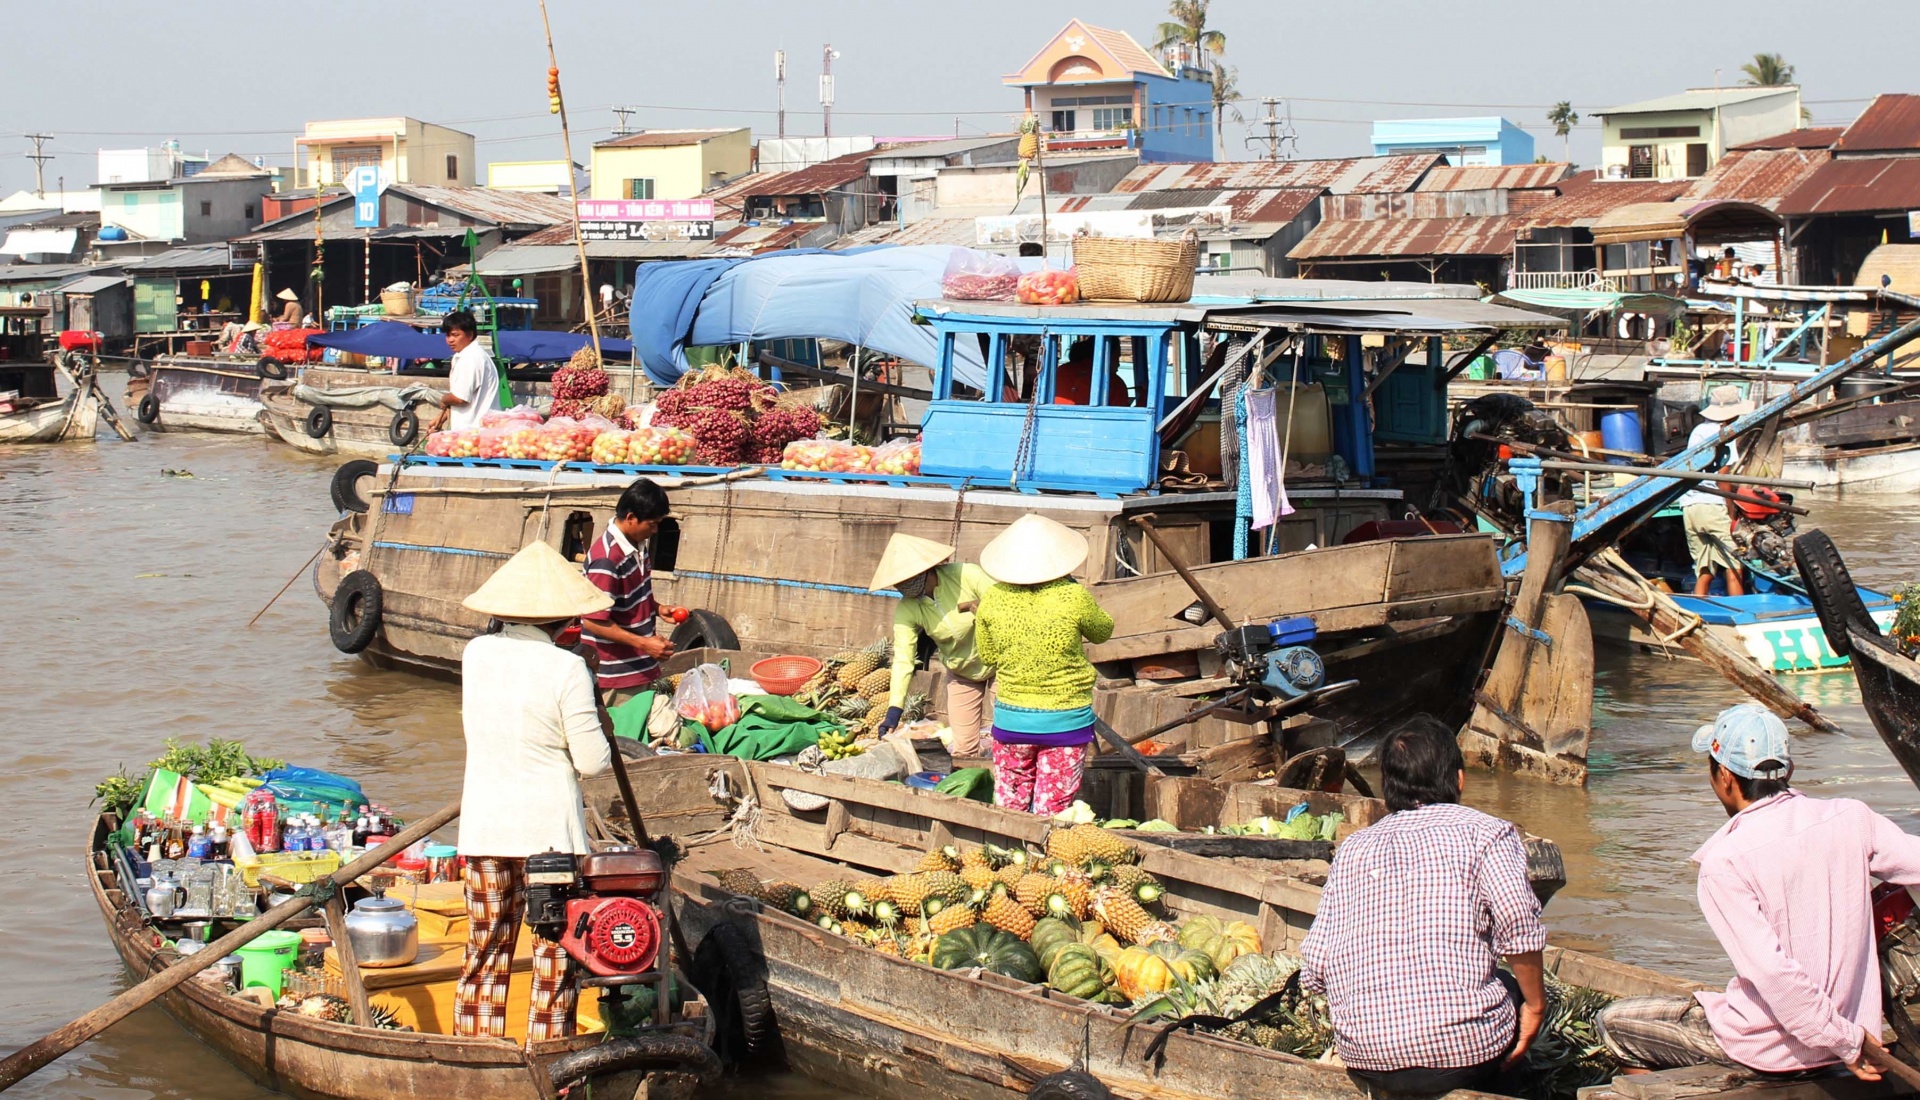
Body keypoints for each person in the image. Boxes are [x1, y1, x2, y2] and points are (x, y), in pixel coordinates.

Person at [1595, 704, 1920, 1080]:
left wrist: (1845, 1042)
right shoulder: (1850, 817)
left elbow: (1775, 974)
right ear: (1788, 770)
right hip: (1855, 1029)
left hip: (1777, 1049)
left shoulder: (1724, 863)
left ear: (1724, 777)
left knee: (1612, 1023)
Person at [1299, 715, 1548, 1095]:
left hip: (1366, 1054)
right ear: (1459, 779)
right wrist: (1535, 1006)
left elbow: (1315, 968)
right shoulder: (1488, 833)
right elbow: (1518, 927)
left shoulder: (1353, 848)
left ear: (1388, 788)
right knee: (1514, 990)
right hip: (1462, 1054)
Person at [453, 540, 613, 1043]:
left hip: (485, 829)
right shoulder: (566, 668)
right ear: (564, 619)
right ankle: (550, 1060)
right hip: (550, 840)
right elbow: (593, 762)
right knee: (554, 954)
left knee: (486, 949)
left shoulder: (476, 654)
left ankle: (478, 1056)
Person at [974, 514, 1113, 815]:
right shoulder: (1074, 595)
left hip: (1012, 722)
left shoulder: (993, 598)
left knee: (1010, 811)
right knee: (1052, 814)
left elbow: (987, 656)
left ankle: (1009, 845)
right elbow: (1102, 632)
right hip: (1065, 722)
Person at [866, 533, 995, 756]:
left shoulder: (967, 575)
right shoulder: (908, 608)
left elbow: (1006, 608)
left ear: (925, 569)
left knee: (1010, 737)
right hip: (961, 672)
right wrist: (894, 710)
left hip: (1000, 665)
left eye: (907, 578)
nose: (903, 585)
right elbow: (903, 659)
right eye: (898, 582)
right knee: (963, 749)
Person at [579, 478, 675, 705]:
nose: (655, 530)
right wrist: (644, 644)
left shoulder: (637, 546)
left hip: (639, 666)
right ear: (631, 518)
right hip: (615, 674)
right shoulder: (607, 559)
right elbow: (592, 621)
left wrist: (658, 608)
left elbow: (631, 594)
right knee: (622, 727)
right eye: (652, 524)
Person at [1681, 385, 1752, 597]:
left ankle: (1698, 607)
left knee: (1704, 570)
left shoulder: (1698, 431)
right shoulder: (1724, 435)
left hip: (1690, 506)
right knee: (1735, 566)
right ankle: (1740, 610)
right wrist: (1732, 513)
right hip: (1713, 507)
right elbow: (1723, 479)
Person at [431, 310, 501, 433]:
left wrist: (444, 399)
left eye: (455, 335)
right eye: (448, 335)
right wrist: (441, 419)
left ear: (469, 335)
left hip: (474, 433)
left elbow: (460, 398)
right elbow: (466, 396)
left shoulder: (470, 358)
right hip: (478, 430)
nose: (450, 340)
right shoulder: (472, 355)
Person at [1053, 337, 1130, 406]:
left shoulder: (1060, 371)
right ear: (1107, 356)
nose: (1118, 364)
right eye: (1116, 357)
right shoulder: (1114, 382)